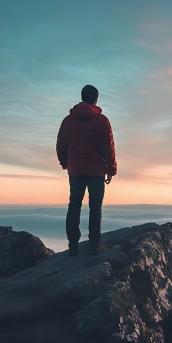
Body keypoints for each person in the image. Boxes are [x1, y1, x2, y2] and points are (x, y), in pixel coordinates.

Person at [56, 85, 117, 256]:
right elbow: (108, 147)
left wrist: (65, 163)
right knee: (95, 208)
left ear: (82, 97)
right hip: (96, 172)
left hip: (75, 171)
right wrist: (111, 169)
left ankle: (73, 246)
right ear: (96, 99)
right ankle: (94, 245)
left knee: (74, 206)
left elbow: (61, 144)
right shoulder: (102, 121)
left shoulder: (68, 121)